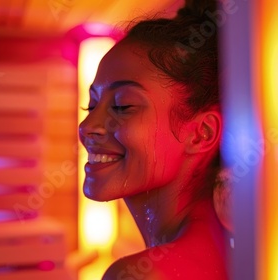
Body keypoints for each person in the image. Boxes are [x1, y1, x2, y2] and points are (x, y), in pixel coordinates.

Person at [78, 0, 232, 279]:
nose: (88, 126)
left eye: (123, 106)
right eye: (91, 105)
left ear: (201, 133)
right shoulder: (224, 248)